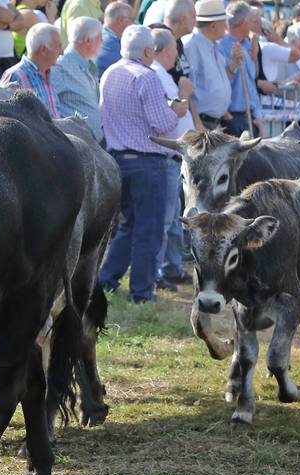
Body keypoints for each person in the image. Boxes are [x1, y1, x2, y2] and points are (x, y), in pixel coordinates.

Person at [97, 24, 185, 304]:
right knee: (148, 229)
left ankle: (107, 280)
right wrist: (177, 110)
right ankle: (141, 292)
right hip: (148, 162)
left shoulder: (110, 72)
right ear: (148, 51)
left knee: (130, 225)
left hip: (118, 159)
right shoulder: (147, 77)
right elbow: (163, 124)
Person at [150, 24, 191, 288]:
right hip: (165, 156)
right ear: (166, 50)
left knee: (174, 216)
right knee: (164, 219)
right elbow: (170, 113)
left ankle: (172, 266)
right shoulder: (155, 74)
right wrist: (185, 94)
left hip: (174, 157)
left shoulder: (162, 74)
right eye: (176, 49)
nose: (177, 55)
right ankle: (156, 273)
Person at [51, 15, 102, 140]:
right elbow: (48, 106)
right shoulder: (61, 67)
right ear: (88, 41)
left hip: (92, 144)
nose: (102, 42)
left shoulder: (85, 64)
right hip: (77, 145)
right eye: (100, 38)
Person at [182, 0, 229, 128]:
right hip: (201, 124)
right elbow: (187, 90)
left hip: (213, 123)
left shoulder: (215, 46)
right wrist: (197, 123)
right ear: (213, 26)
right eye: (224, 22)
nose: (226, 26)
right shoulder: (190, 46)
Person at [0, 21, 59, 117]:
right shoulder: (15, 76)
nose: (62, 52)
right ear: (43, 50)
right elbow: (3, 116)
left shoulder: (49, 73)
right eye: (58, 47)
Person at [218, 1, 257, 136]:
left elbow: (251, 83)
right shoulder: (221, 46)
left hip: (248, 115)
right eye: (251, 21)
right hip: (232, 117)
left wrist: (256, 115)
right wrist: (226, 114)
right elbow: (219, 82)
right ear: (243, 22)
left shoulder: (247, 45)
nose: (253, 26)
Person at [97, 2, 134, 76]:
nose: (134, 23)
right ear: (120, 20)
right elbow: (133, 69)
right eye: (132, 19)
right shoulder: (112, 43)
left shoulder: (100, 34)